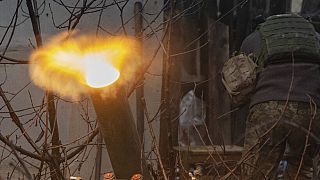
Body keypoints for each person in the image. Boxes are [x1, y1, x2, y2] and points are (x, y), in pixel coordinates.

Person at [239, 13, 320, 179]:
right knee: (302, 170)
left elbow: (241, 81)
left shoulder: (253, 38)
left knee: (257, 172)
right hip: (310, 108)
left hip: (267, 108)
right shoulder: (317, 38)